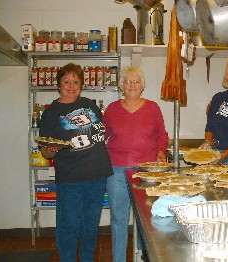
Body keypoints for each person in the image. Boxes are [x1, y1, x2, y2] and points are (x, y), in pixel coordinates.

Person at [39, 63, 112, 261]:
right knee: (69, 225)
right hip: (70, 179)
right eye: (67, 81)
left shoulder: (90, 105)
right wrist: (50, 150)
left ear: (82, 84)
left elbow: (104, 132)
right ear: (59, 85)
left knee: (90, 225)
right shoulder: (51, 113)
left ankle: (87, 258)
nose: (71, 86)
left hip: (97, 175)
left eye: (76, 81)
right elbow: (46, 152)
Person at [103, 65, 169, 262]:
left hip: (145, 171)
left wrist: (161, 152)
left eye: (136, 81)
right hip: (116, 170)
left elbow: (162, 135)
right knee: (118, 219)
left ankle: (143, 256)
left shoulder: (153, 108)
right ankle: (119, 259)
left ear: (142, 86)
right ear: (122, 86)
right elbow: (102, 137)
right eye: (127, 81)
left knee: (145, 219)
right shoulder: (112, 109)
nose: (131, 85)